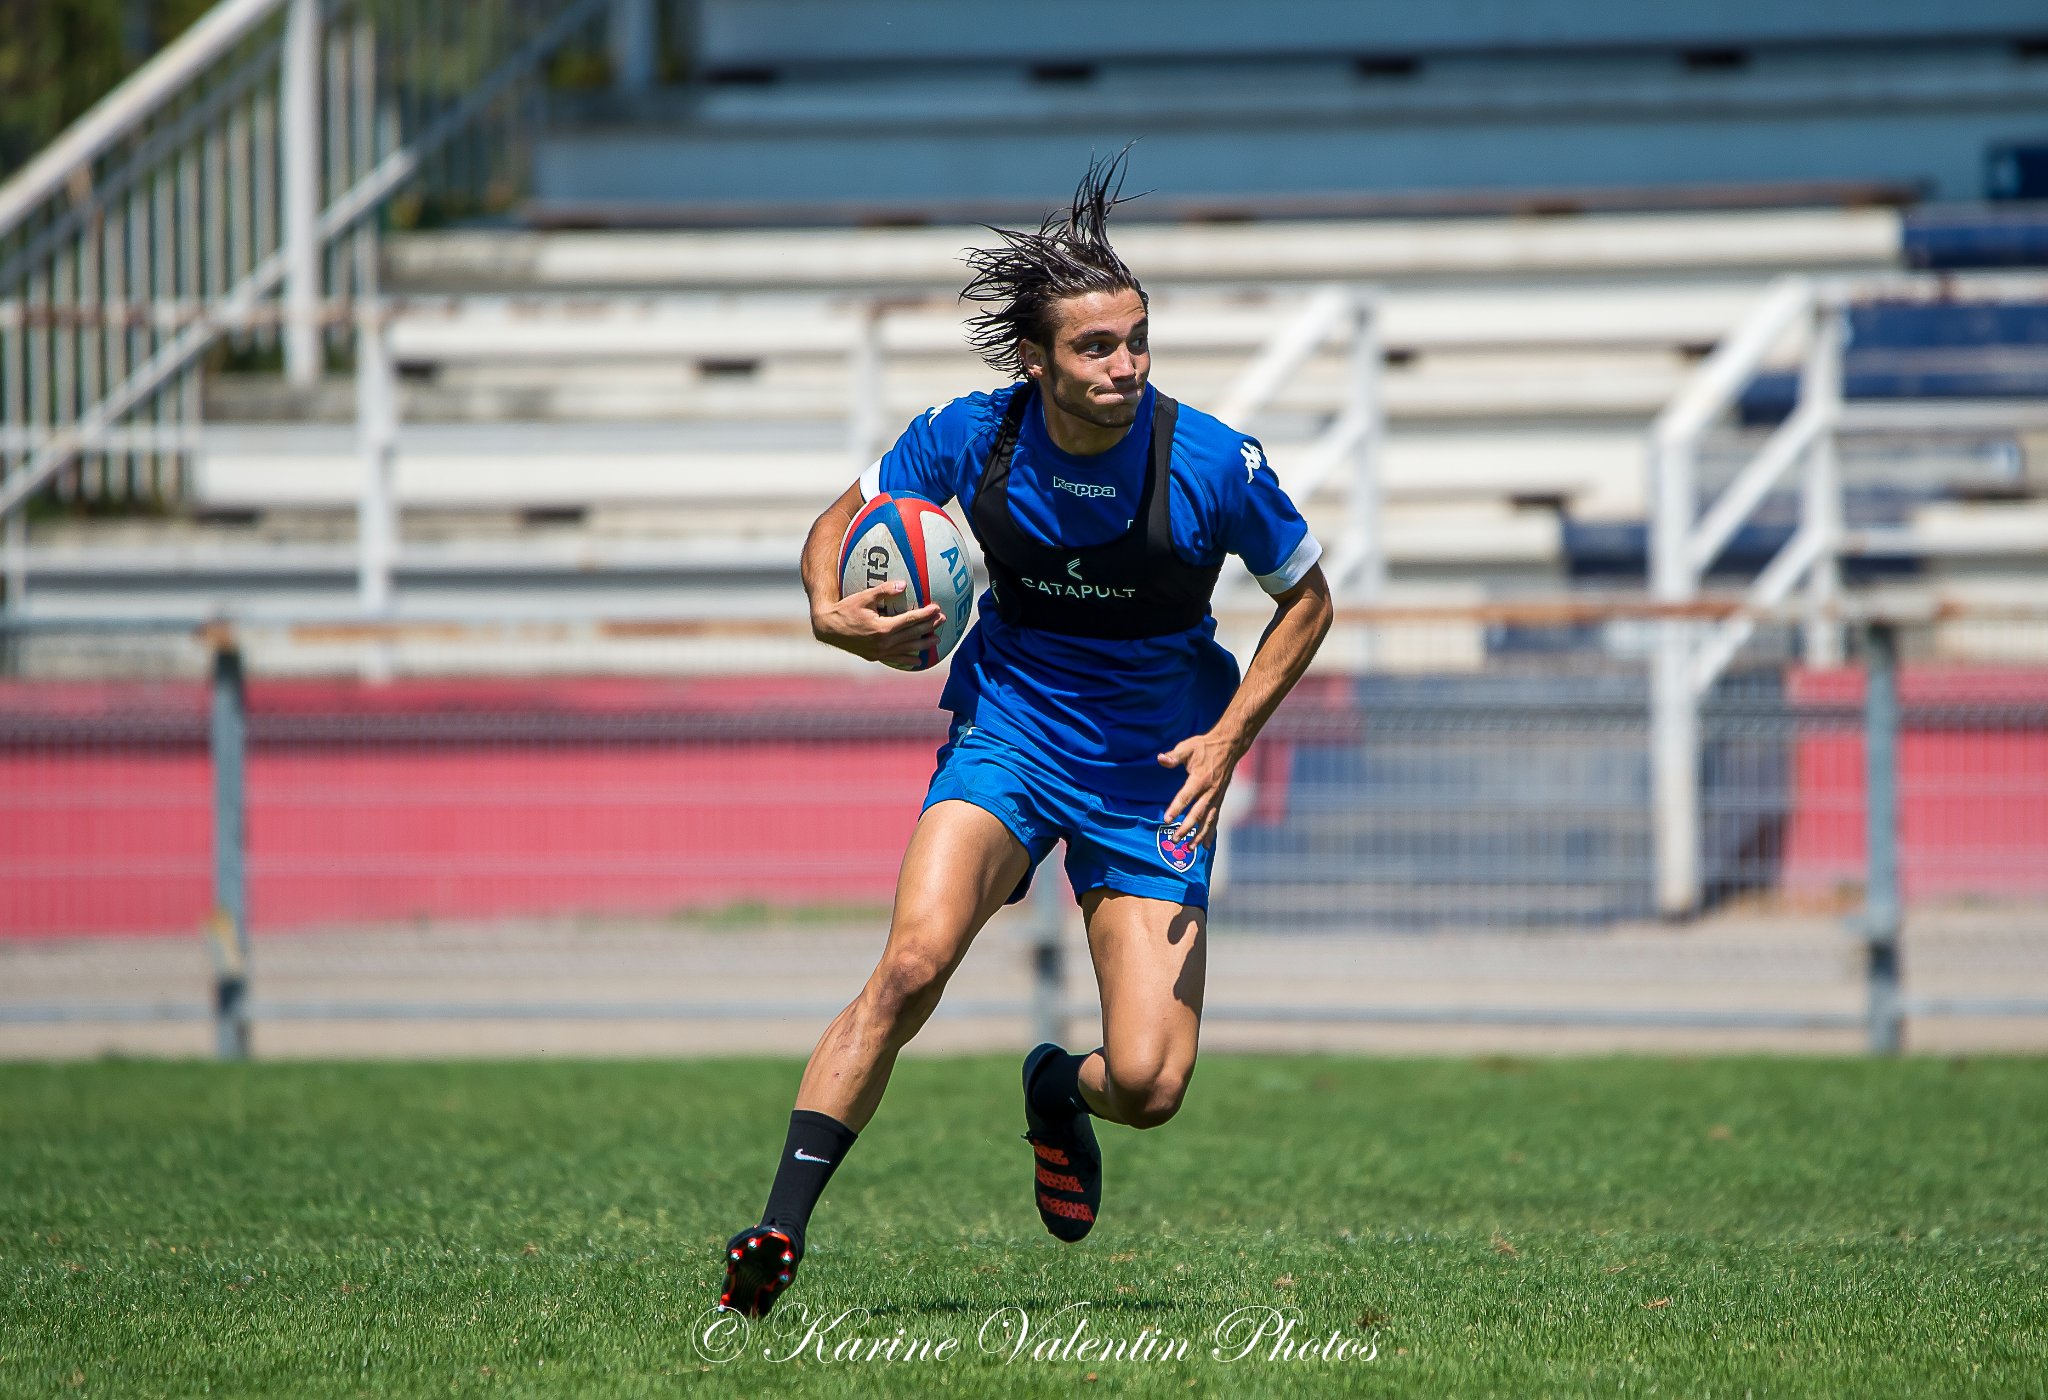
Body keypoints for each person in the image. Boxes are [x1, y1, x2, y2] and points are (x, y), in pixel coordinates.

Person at [718, 154, 1333, 1319]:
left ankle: (1056, 1087)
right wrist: (825, 607)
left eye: (1137, 340)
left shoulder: (1208, 460)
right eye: (1097, 348)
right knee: (908, 964)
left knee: (1148, 1081)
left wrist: (1229, 737)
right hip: (1007, 730)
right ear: (1035, 360)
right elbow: (841, 519)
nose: (1126, 365)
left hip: (1155, 768)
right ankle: (774, 1237)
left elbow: (1305, 599)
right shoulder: (974, 435)